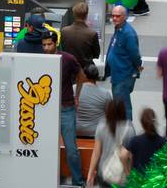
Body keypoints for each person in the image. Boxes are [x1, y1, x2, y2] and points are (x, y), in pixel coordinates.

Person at [42, 31, 85, 186]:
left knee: (71, 149)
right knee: (45, 147)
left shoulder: (67, 59)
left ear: (56, 44)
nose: (46, 48)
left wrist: (77, 95)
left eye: (49, 44)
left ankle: (78, 181)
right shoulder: (40, 60)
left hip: (66, 108)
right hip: (46, 109)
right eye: (44, 44)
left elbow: (81, 75)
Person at [87, 99, 136, 187]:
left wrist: (90, 173)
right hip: (122, 176)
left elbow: (96, 153)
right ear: (123, 111)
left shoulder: (101, 126)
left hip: (105, 173)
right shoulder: (129, 128)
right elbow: (131, 155)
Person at [105, 6, 142, 120]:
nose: (114, 18)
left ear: (125, 17)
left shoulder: (128, 34)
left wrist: (138, 66)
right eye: (113, 15)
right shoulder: (119, 29)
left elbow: (134, 54)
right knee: (119, 104)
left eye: (118, 16)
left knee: (123, 107)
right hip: (117, 74)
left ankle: (127, 132)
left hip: (123, 75)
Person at [120, 108, 166, 174]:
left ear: (142, 123)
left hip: (139, 180)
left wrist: (128, 173)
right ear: (154, 122)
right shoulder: (162, 141)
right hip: (156, 180)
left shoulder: (135, 141)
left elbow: (123, 155)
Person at [61, 2, 100, 69]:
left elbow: (63, 50)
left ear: (74, 14)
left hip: (68, 68)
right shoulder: (92, 33)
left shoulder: (64, 31)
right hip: (85, 70)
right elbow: (96, 55)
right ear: (86, 15)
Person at [77, 64, 112, 137]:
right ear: (97, 77)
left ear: (84, 75)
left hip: (75, 131)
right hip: (96, 133)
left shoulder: (73, 89)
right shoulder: (105, 94)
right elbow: (111, 115)